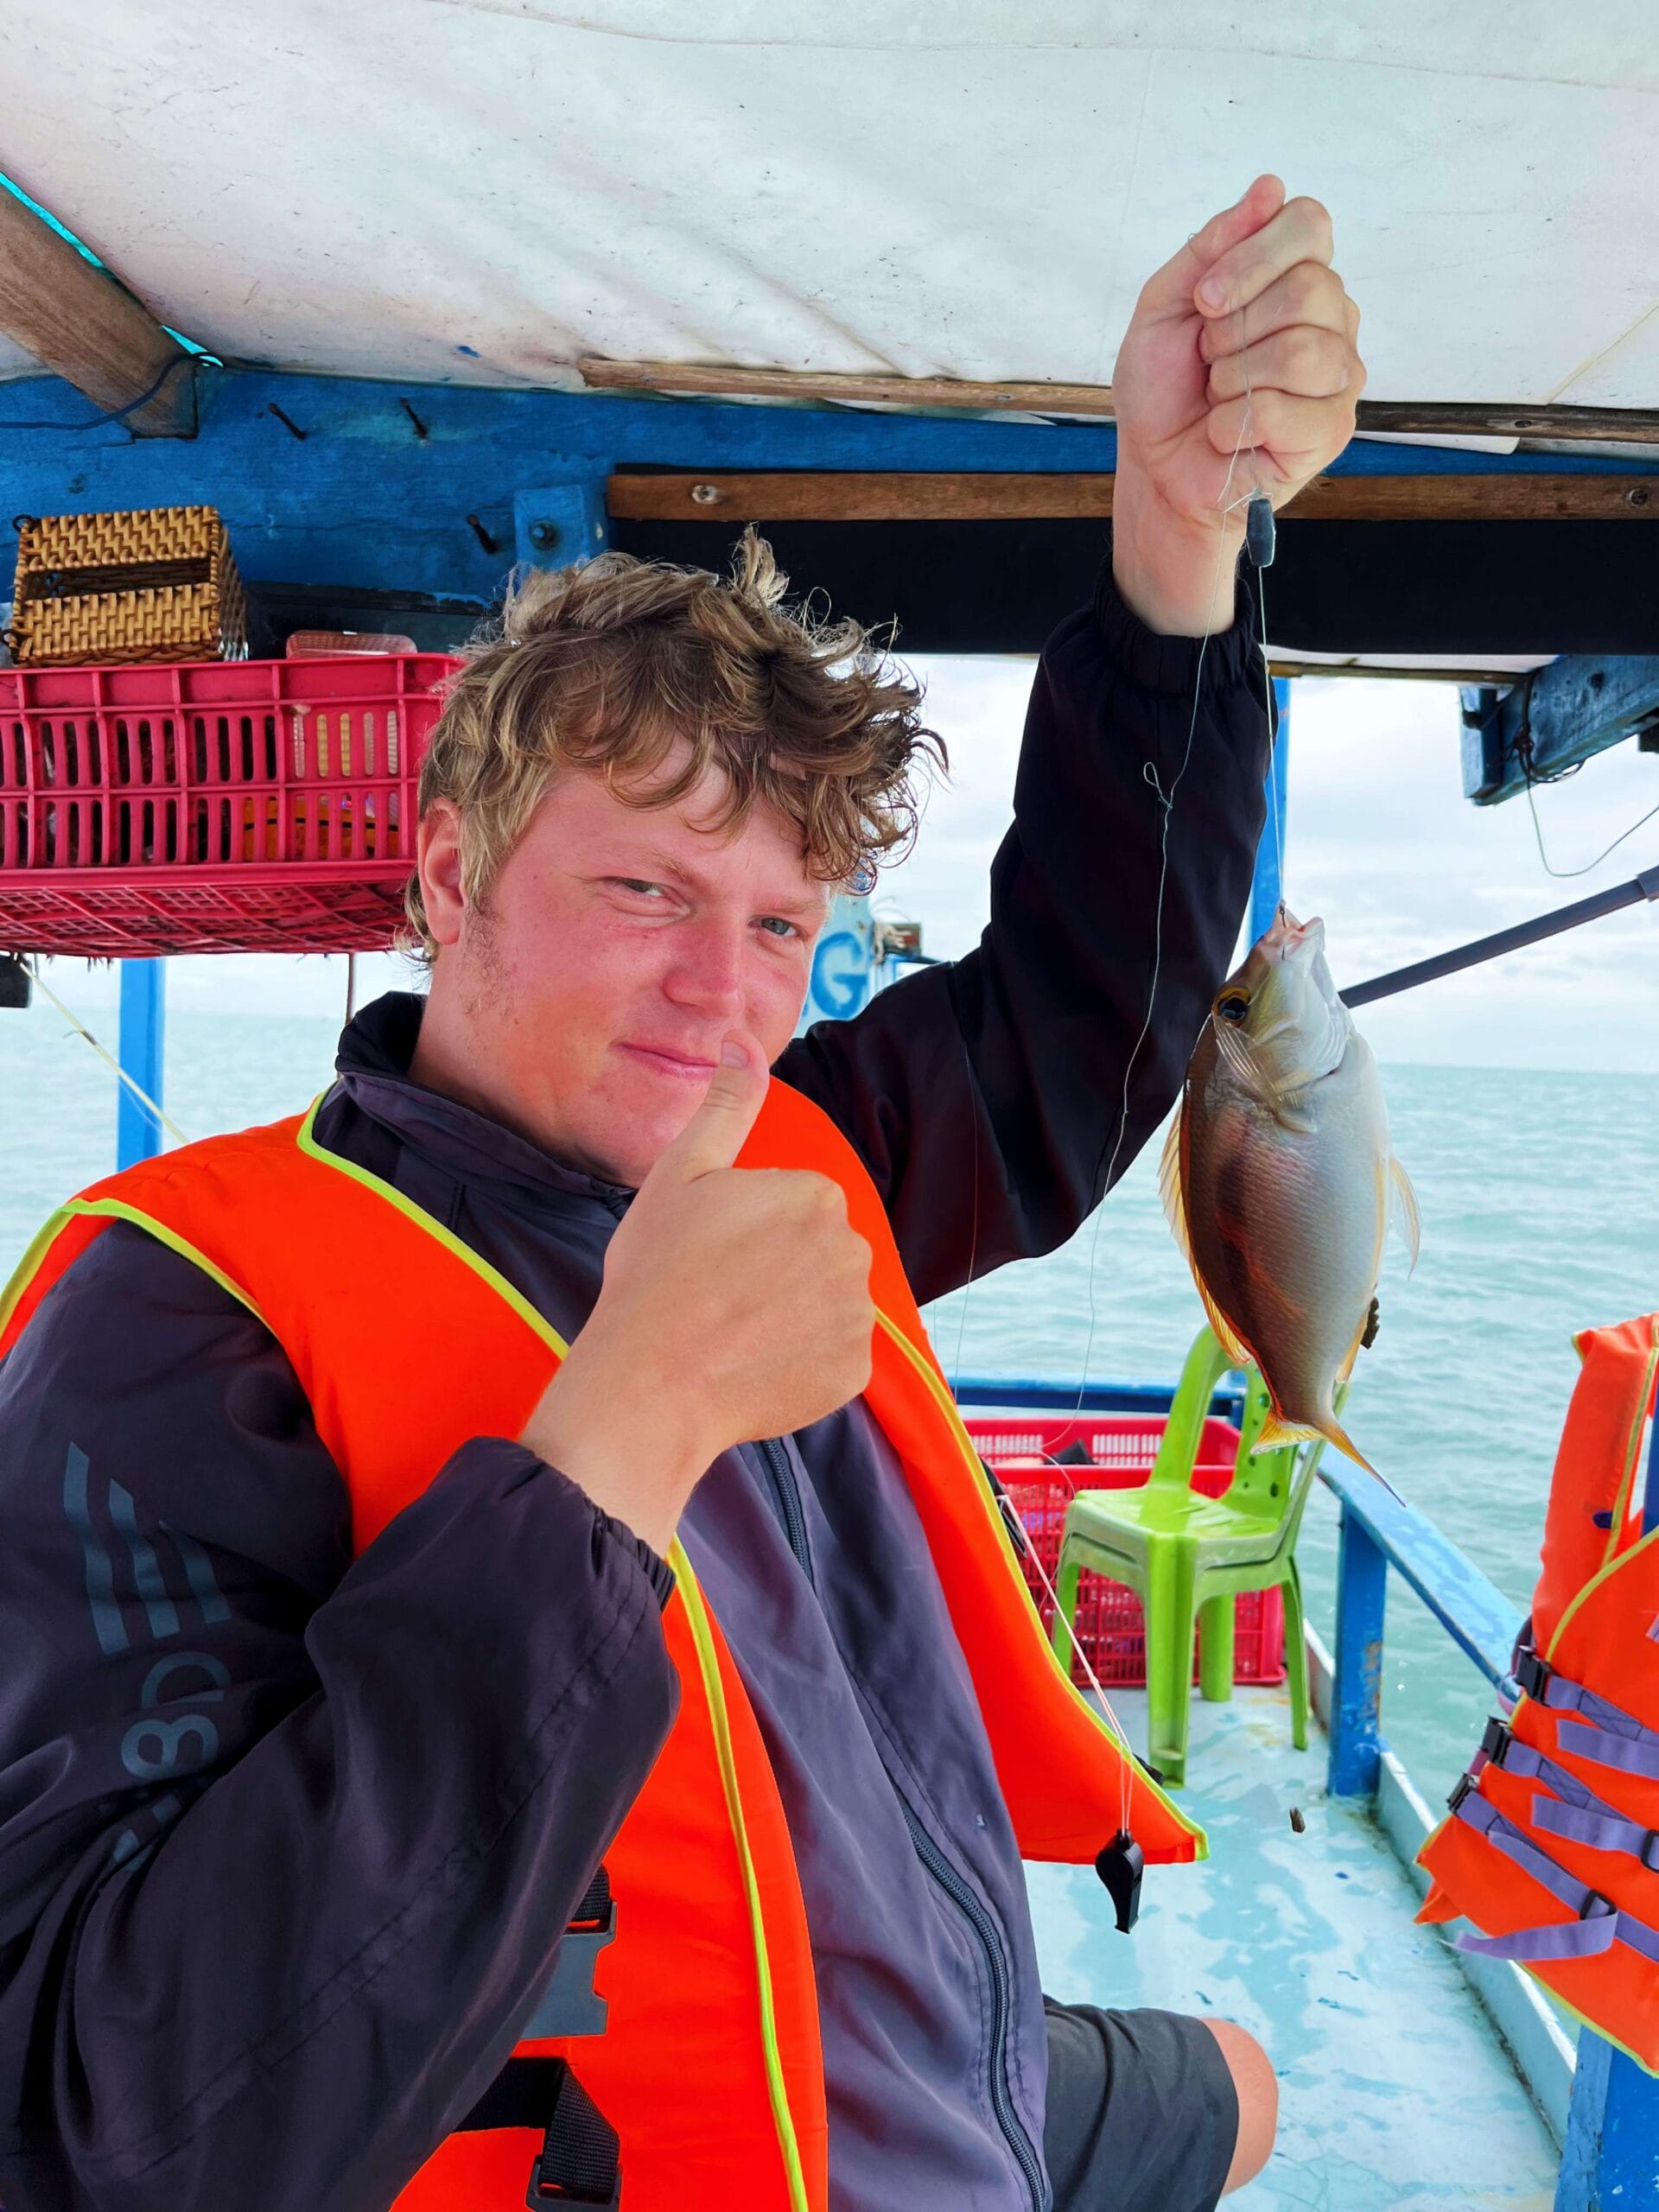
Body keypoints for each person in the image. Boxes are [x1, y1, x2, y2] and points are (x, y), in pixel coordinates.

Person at [0, 176, 1363, 2212]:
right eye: (641, 887)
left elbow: (1090, 1008)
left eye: (780, 918)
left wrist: (1178, 559)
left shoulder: (808, 1150)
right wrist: (605, 1452)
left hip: (929, 2085)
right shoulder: (177, 1320)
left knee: (1256, 2083)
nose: (725, 996)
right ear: (450, 885)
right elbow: (120, 2117)